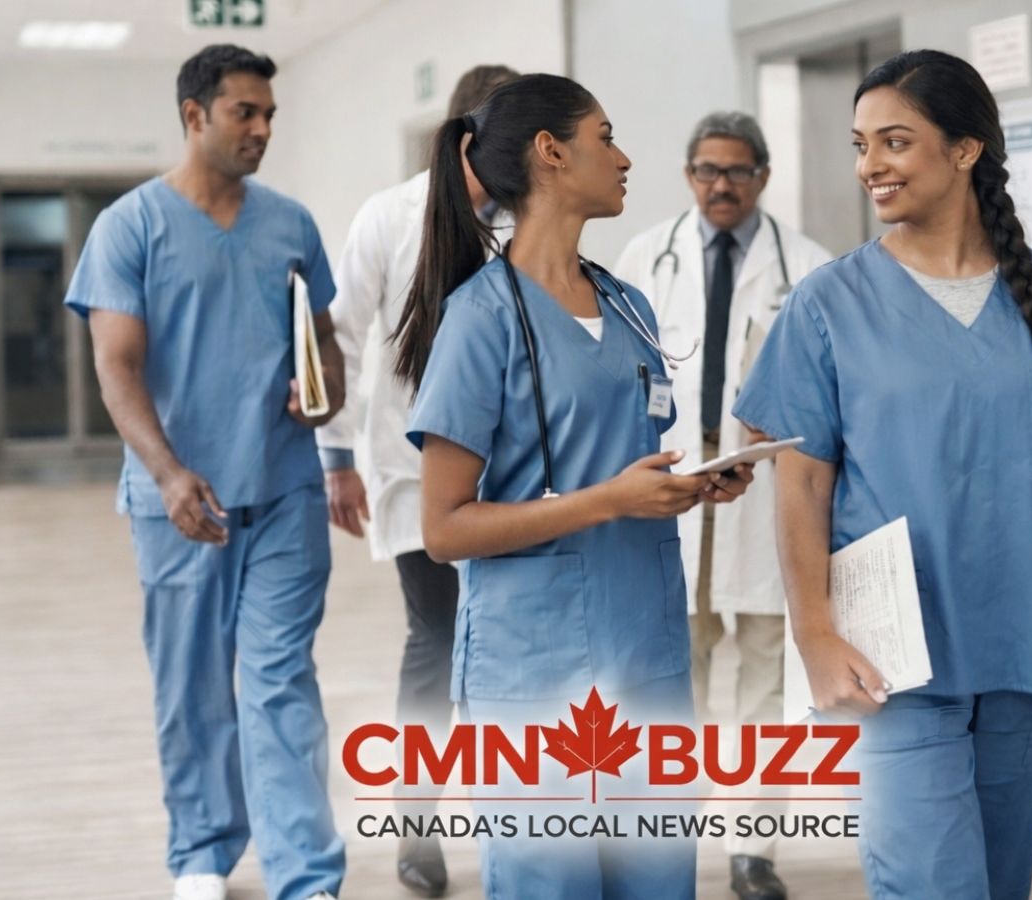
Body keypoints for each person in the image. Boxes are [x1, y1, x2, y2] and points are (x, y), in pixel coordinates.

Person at [732, 49, 1032, 900]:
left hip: (1024, 652)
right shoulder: (830, 304)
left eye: (895, 142)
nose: (870, 165)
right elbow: (800, 483)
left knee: (997, 887)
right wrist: (815, 632)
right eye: (861, 144)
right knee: (932, 887)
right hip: (891, 661)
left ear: (965, 150)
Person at [392, 73, 754, 899]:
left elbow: (626, 464)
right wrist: (609, 502)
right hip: (536, 669)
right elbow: (444, 529)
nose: (625, 158)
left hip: (648, 657)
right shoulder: (481, 320)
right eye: (606, 137)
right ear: (552, 154)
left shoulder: (629, 307)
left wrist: (690, 482)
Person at [64, 44, 348, 900]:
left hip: (285, 494)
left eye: (268, 115)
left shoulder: (291, 225)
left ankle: (306, 874)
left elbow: (324, 346)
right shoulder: (131, 226)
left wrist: (323, 395)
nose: (262, 129)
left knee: (280, 687)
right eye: (244, 114)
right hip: (181, 502)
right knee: (192, 694)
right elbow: (116, 365)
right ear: (195, 116)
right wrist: (167, 473)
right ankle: (201, 852)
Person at [614, 110, 831, 900]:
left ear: (764, 177)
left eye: (737, 171)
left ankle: (755, 846)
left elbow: (824, 393)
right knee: (682, 666)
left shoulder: (807, 267)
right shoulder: (647, 256)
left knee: (769, 673)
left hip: (766, 487)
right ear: (687, 175)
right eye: (706, 170)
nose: (720, 185)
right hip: (678, 479)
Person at [314, 62, 517, 899]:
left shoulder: (531, 219)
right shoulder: (389, 217)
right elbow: (344, 339)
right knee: (436, 646)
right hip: (411, 471)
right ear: (469, 137)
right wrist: (336, 459)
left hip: (513, 478)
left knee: (507, 653)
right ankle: (418, 826)